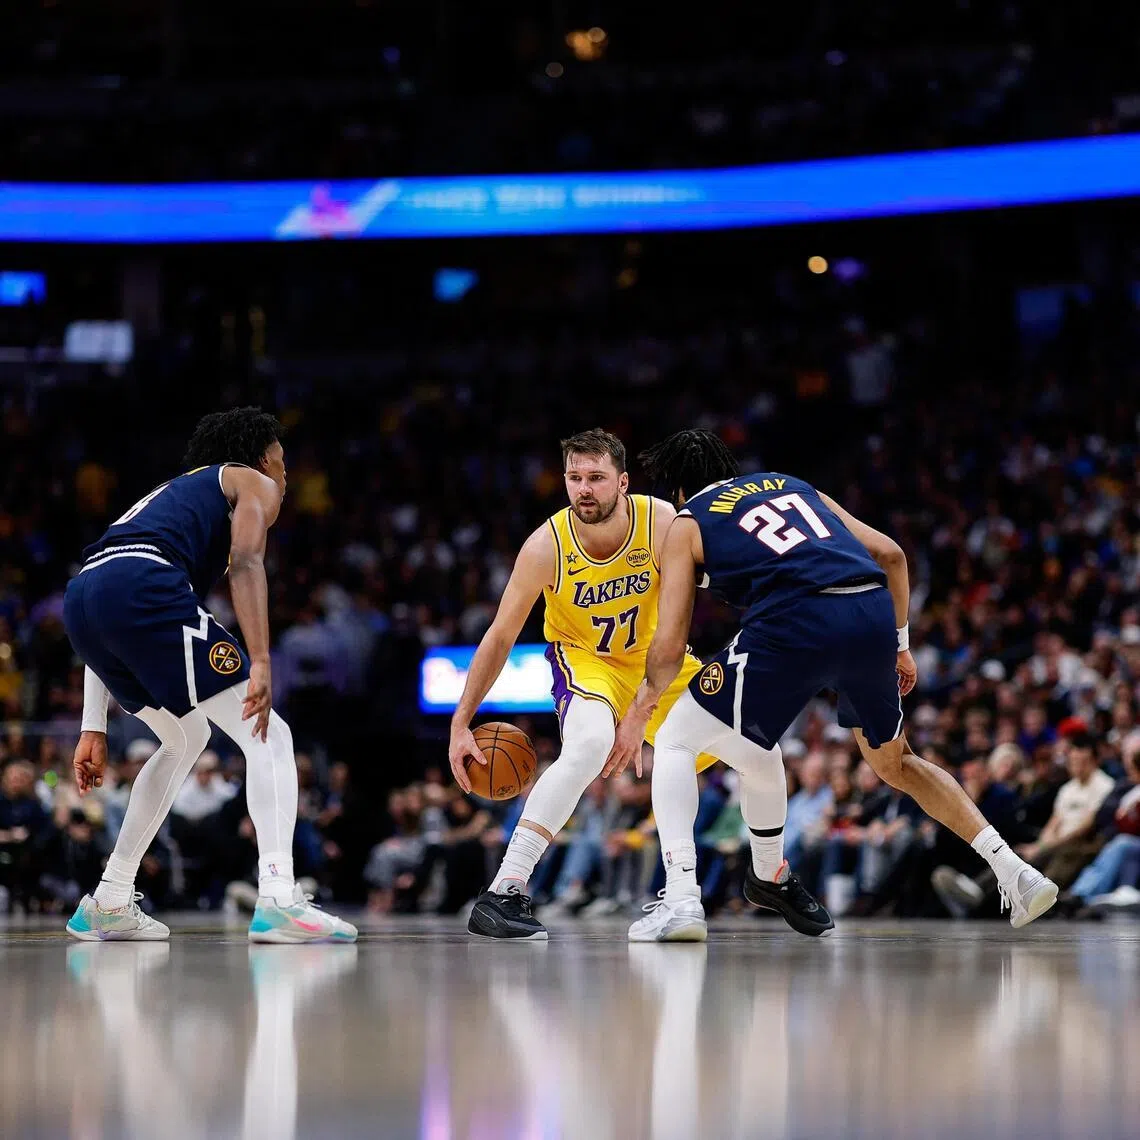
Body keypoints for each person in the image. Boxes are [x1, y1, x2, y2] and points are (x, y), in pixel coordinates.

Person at [604, 429, 1057, 940]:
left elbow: (669, 646)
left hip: (796, 619)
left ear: (679, 490)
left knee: (674, 738)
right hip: (870, 612)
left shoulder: (687, 521)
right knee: (896, 763)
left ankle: (682, 900)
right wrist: (900, 645)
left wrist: (641, 708)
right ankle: (1014, 871)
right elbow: (892, 555)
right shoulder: (792, 485)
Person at [449, 429, 821, 940]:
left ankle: (769, 875)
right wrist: (461, 721)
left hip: (659, 664)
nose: (584, 489)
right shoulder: (545, 546)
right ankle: (504, 890)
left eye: (596, 477)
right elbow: (499, 636)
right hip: (588, 662)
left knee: (762, 752)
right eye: (574, 478)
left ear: (623, 482)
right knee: (588, 745)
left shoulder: (662, 522)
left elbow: (718, 584)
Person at [61, 407, 356, 943]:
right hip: (140, 586)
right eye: (282, 462)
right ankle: (279, 897)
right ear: (261, 459)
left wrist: (93, 726)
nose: (284, 475)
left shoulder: (174, 499)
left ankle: (109, 898)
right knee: (270, 734)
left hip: (84, 597)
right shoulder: (252, 482)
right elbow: (246, 563)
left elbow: (108, 595)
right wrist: (260, 660)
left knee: (185, 737)